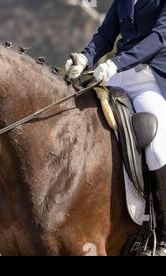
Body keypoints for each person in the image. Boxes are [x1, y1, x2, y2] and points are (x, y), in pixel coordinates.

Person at [65, 0, 166, 256]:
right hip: (119, 77)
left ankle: (163, 233)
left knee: (156, 150)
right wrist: (85, 58)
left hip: (151, 79)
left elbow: (158, 38)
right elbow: (105, 34)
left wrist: (115, 63)